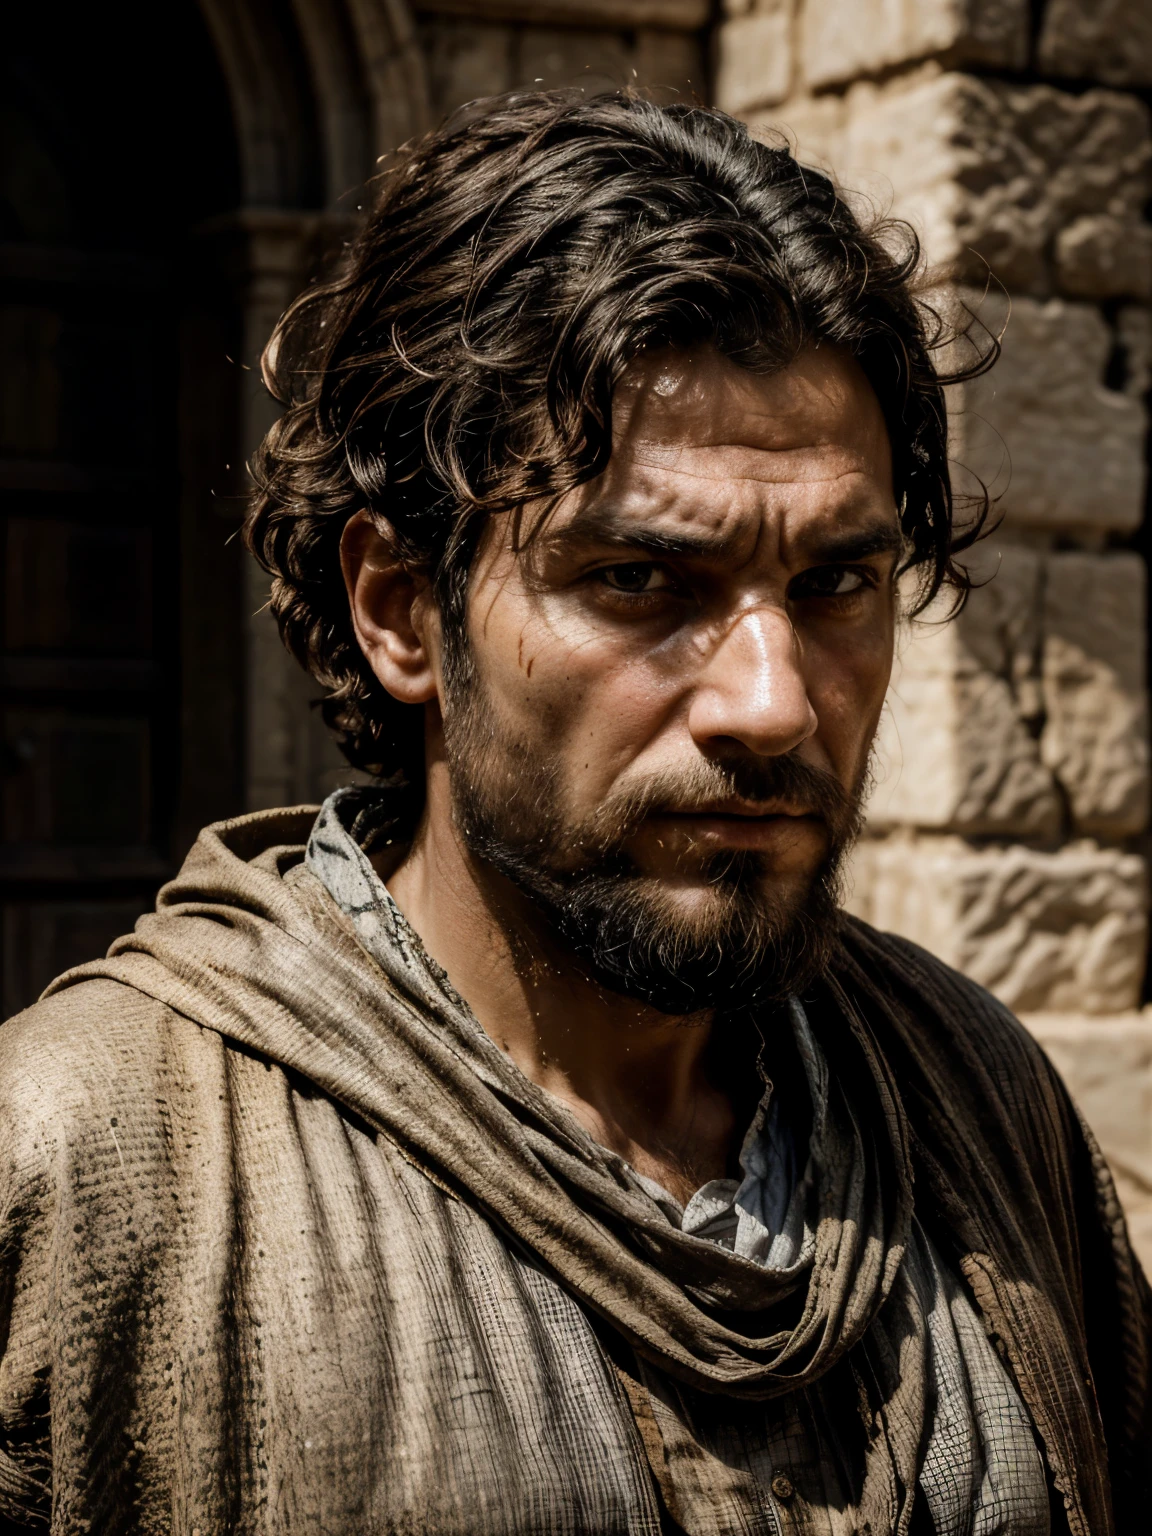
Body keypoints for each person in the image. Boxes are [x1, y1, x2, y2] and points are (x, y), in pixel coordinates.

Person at [0, 91, 1146, 1535]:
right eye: (638, 582)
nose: (772, 704)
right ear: (400, 609)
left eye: (836, 585)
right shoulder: (86, 1163)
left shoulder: (975, 1100)